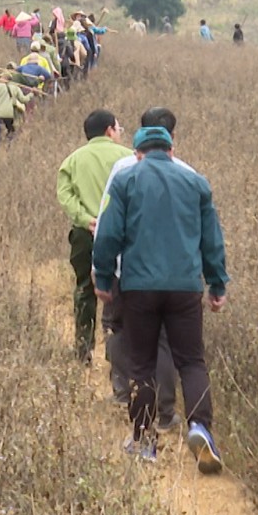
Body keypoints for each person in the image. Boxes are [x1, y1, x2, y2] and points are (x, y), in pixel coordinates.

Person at [93, 124, 229, 471]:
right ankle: (200, 427)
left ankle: (143, 440)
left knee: (142, 364)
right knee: (192, 361)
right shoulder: (196, 182)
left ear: (138, 153)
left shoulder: (127, 180)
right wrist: (217, 284)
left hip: (139, 287)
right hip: (185, 287)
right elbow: (212, 240)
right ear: (171, 150)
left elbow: (109, 234)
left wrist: (104, 278)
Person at [98, 107, 194, 421]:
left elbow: (107, 222)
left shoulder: (123, 169)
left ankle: (125, 395)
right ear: (173, 137)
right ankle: (166, 411)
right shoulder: (188, 174)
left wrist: (102, 270)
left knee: (121, 330)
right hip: (173, 275)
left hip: (126, 271)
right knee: (163, 342)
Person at [56, 110, 133, 365]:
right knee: (120, 293)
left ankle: (83, 350)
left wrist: (85, 219)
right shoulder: (129, 158)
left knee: (84, 290)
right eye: (119, 129)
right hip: (123, 236)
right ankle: (117, 355)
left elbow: (65, 196)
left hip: (84, 234)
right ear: (109, 130)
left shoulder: (72, 160)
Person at [0, 73, 30, 149]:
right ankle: (9, 147)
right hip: (9, 114)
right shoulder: (15, 88)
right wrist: (32, 94)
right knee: (10, 132)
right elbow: (24, 99)